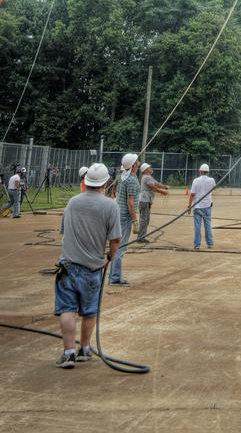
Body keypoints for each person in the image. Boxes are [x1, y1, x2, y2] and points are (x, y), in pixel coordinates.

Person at [54, 161, 121, 368]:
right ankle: (84, 349)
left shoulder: (73, 202)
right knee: (89, 311)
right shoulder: (111, 205)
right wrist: (110, 256)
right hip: (93, 269)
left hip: (67, 266)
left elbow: (64, 230)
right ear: (105, 183)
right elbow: (116, 239)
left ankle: (68, 353)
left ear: (86, 181)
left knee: (67, 309)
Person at [109, 153, 139, 285]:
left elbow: (116, 189)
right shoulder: (131, 180)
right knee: (121, 248)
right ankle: (115, 278)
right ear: (133, 165)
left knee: (117, 246)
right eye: (137, 162)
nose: (138, 163)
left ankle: (113, 276)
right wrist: (135, 220)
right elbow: (130, 202)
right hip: (125, 216)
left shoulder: (122, 177)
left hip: (118, 213)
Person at [137, 163, 168, 242]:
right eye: (149, 167)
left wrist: (164, 186)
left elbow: (156, 183)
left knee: (146, 219)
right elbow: (152, 187)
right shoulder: (147, 177)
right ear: (145, 170)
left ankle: (142, 237)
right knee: (144, 219)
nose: (151, 168)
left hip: (146, 200)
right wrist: (162, 191)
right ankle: (141, 238)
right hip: (145, 200)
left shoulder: (148, 177)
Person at [188, 164, 215, 249]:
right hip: (207, 206)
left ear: (200, 171)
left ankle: (197, 245)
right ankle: (210, 243)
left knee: (197, 226)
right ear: (207, 171)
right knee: (208, 225)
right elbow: (212, 189)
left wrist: (189, 206)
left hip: (197, 206)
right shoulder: (212, 180)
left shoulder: (196, 180)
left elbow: (192, 194)